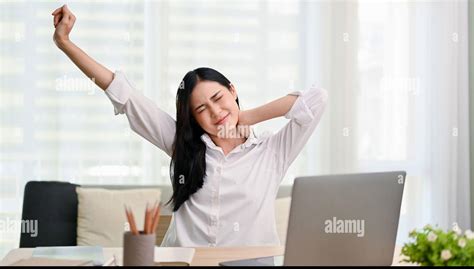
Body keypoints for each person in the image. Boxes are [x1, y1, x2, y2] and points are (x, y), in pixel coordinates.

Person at [52, 4, 328, 247]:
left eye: (218, 98)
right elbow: (124, 94)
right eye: (201, 109)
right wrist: (64, 42)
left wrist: (246, 116)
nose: (216, 112)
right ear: (193, 118)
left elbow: (317, 100)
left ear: (233, 90)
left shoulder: (272, 150)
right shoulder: (182, 143)